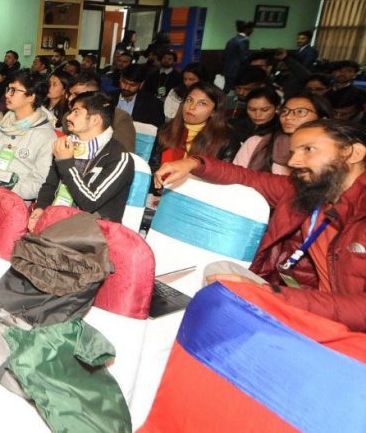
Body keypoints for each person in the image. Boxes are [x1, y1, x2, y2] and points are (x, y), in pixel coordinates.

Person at [154, 119, 366, 331]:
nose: (293, 161)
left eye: (308, 149)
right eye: (292, 152)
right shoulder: (311, 191)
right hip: (310, 302)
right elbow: (247, 177)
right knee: (220, 271)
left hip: (351, 330)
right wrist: (193, 163)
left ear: (353, 153)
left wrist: (270, 294)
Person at [32, 91, 135, 228]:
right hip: (56, 222)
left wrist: (66, 163)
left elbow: (90, 202)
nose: (68, 117)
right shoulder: (67, 145)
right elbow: (50, 185)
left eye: (76, 112)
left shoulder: (119, 158)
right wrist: (40, 208)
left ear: (95, 120)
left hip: (90, 233)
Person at [0, 72, 56, 202]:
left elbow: (39, 183)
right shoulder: (0, 125)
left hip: (12, 199)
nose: (7, 95)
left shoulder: (46, 137)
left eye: (13, 90)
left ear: (31, 97)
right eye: (8, 89)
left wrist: (5, 188)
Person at [148, 81, 239, 174]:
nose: (191, 107)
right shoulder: (167, 129)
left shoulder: (227, 139)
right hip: (163, 184)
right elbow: (154, 167)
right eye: (189, 100)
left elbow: (224, 175)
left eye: (202, 103)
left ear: (214, 112)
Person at [234, 92, 331, 175]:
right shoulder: (256, 142)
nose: (288, 117)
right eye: (285, 111)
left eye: (300, 112)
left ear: (322, 119)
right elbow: (235, 176)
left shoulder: (333, 151)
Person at [68, 71, 136, 152]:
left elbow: (124, 152)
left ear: (93, 94)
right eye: (69, 94)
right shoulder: (69, 115)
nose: (69, 99)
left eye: (76, 95)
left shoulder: (119, 118)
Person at [222, 20, 254, 92]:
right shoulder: (244, 41)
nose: (252, 31)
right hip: (237, 70)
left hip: (228, 69)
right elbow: (244, 57)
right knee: (233, 90)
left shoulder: (232, 40)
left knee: (227, 89)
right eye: (252, 29)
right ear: (247, 29)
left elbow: (224, 54)